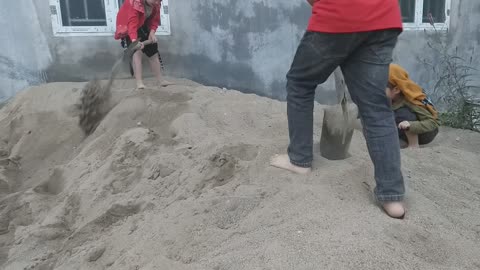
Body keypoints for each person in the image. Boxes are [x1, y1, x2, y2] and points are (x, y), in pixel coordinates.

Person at [270, 0, 406, 218]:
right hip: (384, 16)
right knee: (376, 108)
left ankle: (299, 160)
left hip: (340, 11)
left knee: (300, 83)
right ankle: (392, 198)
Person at [115, 0, 167, 89]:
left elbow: (155, 20)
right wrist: (135, 41)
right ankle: (139, 83)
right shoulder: (134, 2)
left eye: (159, 0)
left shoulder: (156, 3)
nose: (157, 2)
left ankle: (160, 80)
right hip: (128, 26)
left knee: (153, 51)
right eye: (155, 0)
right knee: (137, 52)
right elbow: (132, 24)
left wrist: (152, 32)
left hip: (142, 23)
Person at [387, 64, 439, 148]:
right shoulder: (388, 96)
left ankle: (413, 145)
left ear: (396, 89)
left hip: (425, 132)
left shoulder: (412, 99)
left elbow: (433, 123)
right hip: (400, 128)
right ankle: (400, 141)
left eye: (380, 87)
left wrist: (411, 125)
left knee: (404, 113)